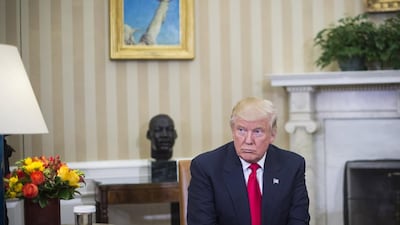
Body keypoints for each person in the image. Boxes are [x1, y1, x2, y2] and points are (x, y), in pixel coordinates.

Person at [187, 97, 310, 225]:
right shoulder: (206, 168)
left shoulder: (292, 166)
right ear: (232, 131)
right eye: (241, 130)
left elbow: (299, 221)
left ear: (272, 134)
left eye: (257, 131)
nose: (248, 140)